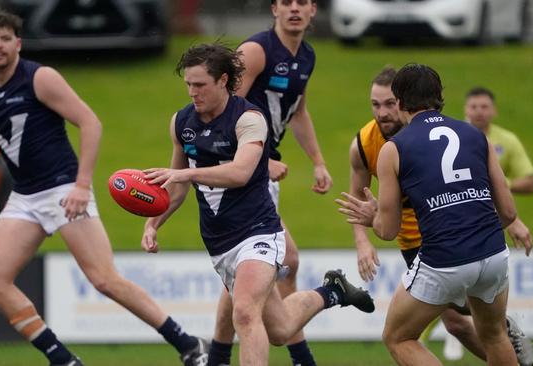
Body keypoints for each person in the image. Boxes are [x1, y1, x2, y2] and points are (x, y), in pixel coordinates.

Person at [0, 11, 207, 366]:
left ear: (18, 43)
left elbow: (90, 122)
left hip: (64, 189)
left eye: (5, 38)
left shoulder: (40, 78)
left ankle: (187, 344)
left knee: (104, 279)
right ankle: (62, 359)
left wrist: (81, 184)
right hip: (25, 196)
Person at [141, 42, 373, 366]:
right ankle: (333, 292)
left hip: (258, 233)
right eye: (188, 85)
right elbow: (176, 188)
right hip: (220, 244)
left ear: (223, 80)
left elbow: (240, 172)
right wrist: (153, 223)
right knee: (280, 329)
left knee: (246, 313)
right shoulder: (181, 123)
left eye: (200, 85)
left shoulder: (249, 119)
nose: (193, 92)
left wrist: (184, 175)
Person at [337, 63, 533, 365]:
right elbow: (508, 212)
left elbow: (388, 230)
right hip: (493, 252)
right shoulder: (476, 135)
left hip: (444, 258)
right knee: (494, 335)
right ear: (440, 96)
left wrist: (372, 216)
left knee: (397, 337)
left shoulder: (394, 148)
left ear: (400, 102)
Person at [209, 1, 332, 365]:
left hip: (258, 172)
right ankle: (301, 356)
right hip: (240, 171)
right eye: (286, 2)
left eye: (302, 3)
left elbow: (299, 113)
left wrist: (319, 162)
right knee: (285, 260)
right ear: (274, 8)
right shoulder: (256, 51)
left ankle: (215, 357)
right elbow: (226, 111)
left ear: (313, 10)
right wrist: (263, 158)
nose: (294, 9)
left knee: (243, 279)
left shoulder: (306, 56)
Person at [464, 87, 533, 195]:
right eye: (473, 107)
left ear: (494, 111)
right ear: (465, 110)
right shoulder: (453, 138)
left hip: (494, 210)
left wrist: (500, 183)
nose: (479, 111)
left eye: (484, 107)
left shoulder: (508, 140)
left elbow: (530, 183)